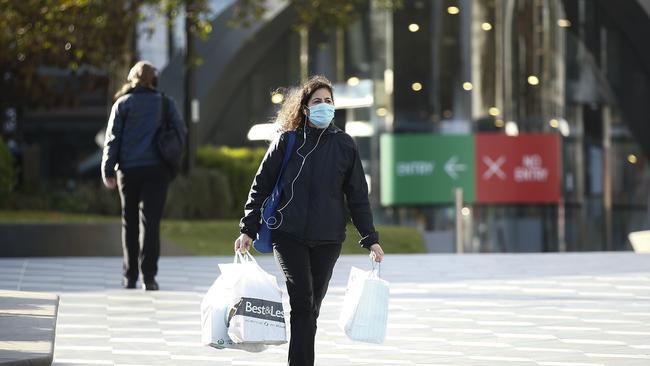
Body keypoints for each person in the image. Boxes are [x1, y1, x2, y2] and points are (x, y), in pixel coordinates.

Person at [234, 75, 385, 366]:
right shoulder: (286, 141)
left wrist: (370, 238)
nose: (324, 106)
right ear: (304, 108)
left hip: (328, 239)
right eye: (317, 101)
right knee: (302, 303)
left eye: (329, 101)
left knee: (312, 306)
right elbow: (261, 185)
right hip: (288, 235)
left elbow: (357, 196)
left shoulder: (344, 145)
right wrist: (247, 229)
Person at [101, 61, 186, 291]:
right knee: (151, 223)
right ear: (153, 80)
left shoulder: (122, 104)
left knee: (129, 222)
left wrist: (108, 170)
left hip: (128, 171)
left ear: (132, 79)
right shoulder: (166, 103)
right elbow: (180, 132)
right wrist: (172, 166)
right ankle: (149, 278)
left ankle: (130, 276)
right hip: (157, 170)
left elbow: (112, 140)